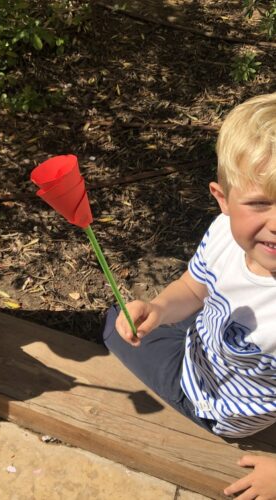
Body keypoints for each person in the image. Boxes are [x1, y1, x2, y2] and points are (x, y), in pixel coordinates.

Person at [103, 92, 276, 500]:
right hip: (213, 346)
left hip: (211, 399)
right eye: (259, 203)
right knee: (148, 318)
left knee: (112, 325)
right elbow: (193, 287)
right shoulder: (223, 234)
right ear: (223, 200)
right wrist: (160, 307)